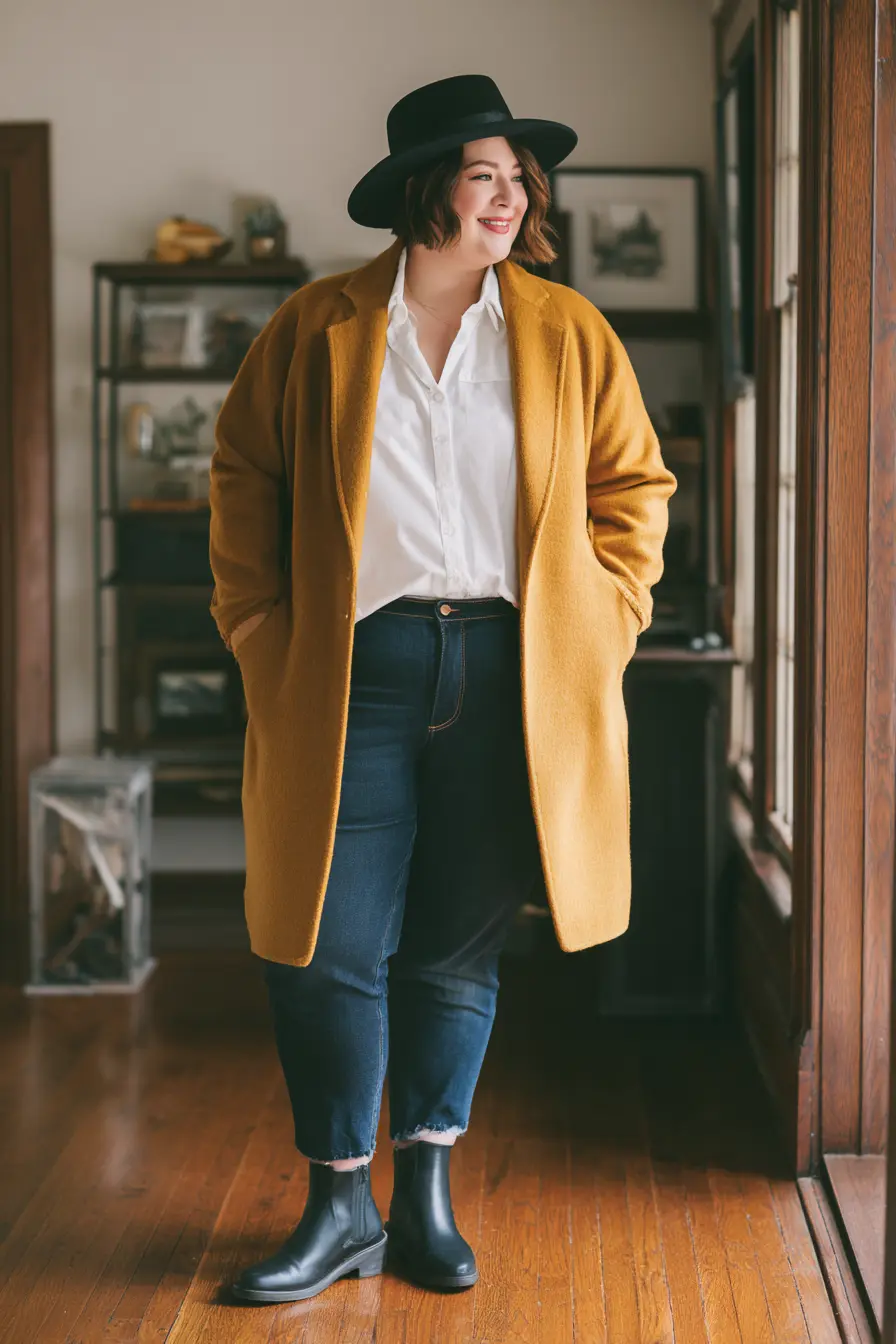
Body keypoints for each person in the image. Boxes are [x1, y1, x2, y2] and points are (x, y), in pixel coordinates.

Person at [209, 73, 677, 1305]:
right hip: (353, 672)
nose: (511, 199)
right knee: (323, 943)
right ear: (426, 189)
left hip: (513, 672)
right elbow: (241, 479)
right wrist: (262, 633)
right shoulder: (313, 328)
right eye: (487, 176)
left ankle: (420, 1199)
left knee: (456, 951)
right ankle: (336, 1203)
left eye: (521, 180)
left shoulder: (567, 331)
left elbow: (634, 493)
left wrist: (604, 619)